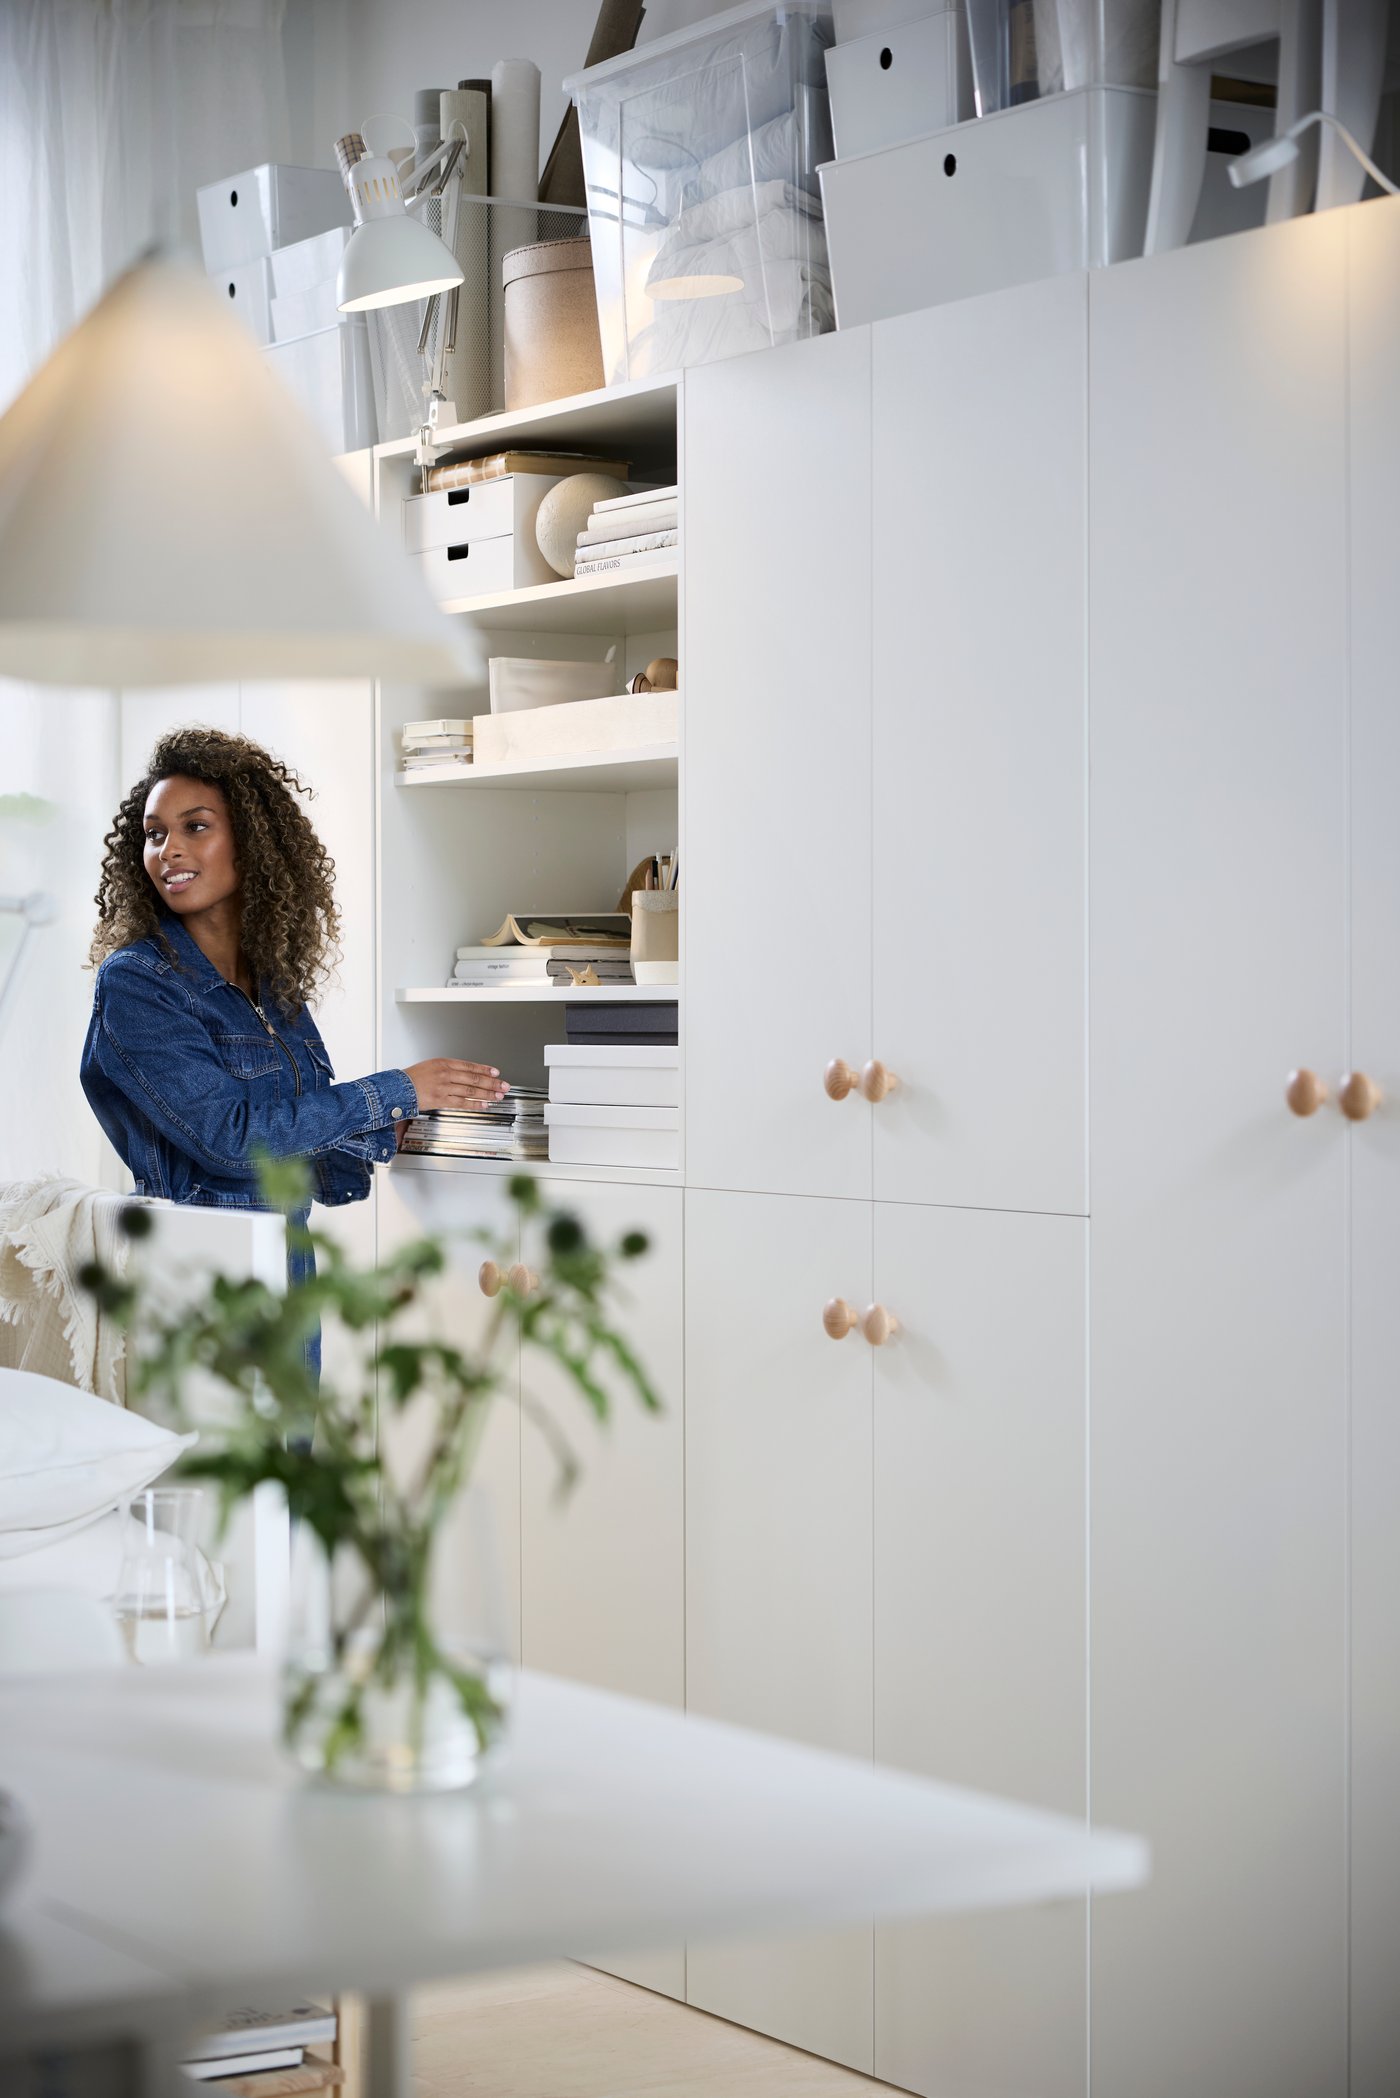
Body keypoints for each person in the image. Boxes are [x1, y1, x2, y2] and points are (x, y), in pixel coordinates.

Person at [81, 727, 508, 1378]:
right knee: (226, 1472)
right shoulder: (138, 983)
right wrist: (397, 1089)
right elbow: (230, 1139)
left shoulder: (271, 984)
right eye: (155, 833)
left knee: (292, 1464)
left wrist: (399, 1130)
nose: (169, 850)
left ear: (250, 843)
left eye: (196, 827)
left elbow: (293, 1142)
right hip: (201, 1276)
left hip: (287, 1262)